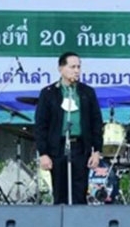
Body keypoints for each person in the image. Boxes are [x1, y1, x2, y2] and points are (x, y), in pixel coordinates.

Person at [34, 51, 103, 205]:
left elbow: (96, 122)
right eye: (72, 67)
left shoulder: (86, 92)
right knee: (60, 193)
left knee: (80, 193)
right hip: (57, 147)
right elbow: (41, 125)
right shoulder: (49, 93)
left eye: (78, 67)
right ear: (61, 69)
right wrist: (43, 153)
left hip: (80, 147)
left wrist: (97, 151)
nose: (76, 70)